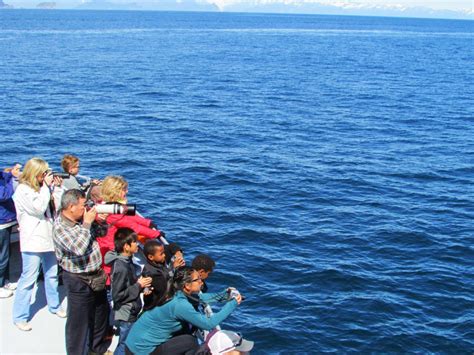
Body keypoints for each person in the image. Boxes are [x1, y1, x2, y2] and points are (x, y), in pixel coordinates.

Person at [125, 266, 242, 355]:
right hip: (140, 350)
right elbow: (208, 324)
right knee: (190, 342)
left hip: (134, 343)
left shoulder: (176, 292)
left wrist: (225, 295)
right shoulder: (180, 305)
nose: (201, 282)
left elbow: (201, 298)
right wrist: (233, 303)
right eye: (198, 280)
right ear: (187, 285)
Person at [53, 189, 112, 355]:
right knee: (78, 323)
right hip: (77, 279)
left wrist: (100, 222)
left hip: (96, 275)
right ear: (71, 207)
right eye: (82, 205)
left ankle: (97, 349)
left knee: (101, 314)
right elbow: (78, 248)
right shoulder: (60, 227)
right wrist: (87, 223)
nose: (85, 208)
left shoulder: (81, 220)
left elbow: (101, 233)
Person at [12, 158, 65, 331]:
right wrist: (46, 188)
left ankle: (54, 305)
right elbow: (38, 208)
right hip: (33, 241)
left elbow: (56, 207)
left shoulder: (44, 189)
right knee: (28, 278)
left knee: (52, 275)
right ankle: (20, 316)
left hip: (48, 238)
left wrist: (56, 188)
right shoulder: (23, 190)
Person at [96, 175, 164, 284]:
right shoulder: (112, 212)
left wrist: (147, 222)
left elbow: (128, 216)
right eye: (124, 189)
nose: (126, 191)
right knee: (112, 277)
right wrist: (156, 234)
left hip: (107, 247)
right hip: (110, 250)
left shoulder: (106, 205)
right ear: (115, 191)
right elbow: (133, 227)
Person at [104, 228, 152, 355]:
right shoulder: (121, 267)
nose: (138, 244)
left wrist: (142, 287)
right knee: (125, 344)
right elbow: (117, 295)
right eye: (135, 242)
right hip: (127, 312)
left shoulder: (126, 260)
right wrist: (138, 285)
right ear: (126, 246)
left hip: (131, 309)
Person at [0, 163, 21, 298]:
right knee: (2, 256)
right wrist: (13, 181)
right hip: (1, 222)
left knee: (6, 254)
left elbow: (4, 175)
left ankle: (5, 281)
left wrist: (11, 174)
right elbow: (4, 195)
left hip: (6, 220)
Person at [141, 239, 171, 312]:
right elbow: (164, 289)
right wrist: (174, 268)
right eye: (161, 254)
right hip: (155, 307)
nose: (164, 255)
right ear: (151, 257)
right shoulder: (152, 274)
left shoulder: (158, 263)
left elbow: (170, 247)